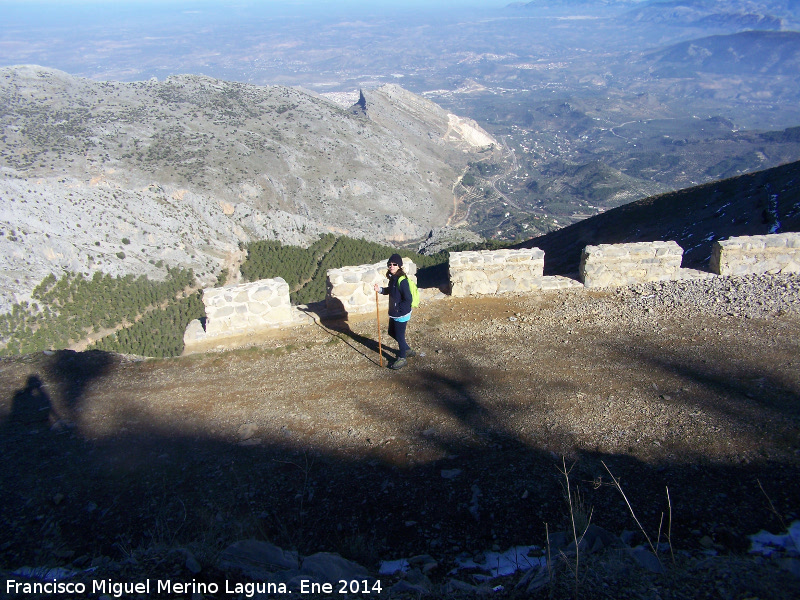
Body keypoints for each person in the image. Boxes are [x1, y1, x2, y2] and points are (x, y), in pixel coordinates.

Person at [374, 253, 416, 370]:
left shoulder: (402, 280)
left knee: (399, 335)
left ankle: (402, 358)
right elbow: (390, 291)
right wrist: (380, 290)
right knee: (391, 332)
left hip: (401, 314)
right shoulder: (393, 278)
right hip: (394, 312)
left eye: (394, 264)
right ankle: (406, 349)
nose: (391, 266)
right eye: (389, 264)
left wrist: (399, 309)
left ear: (399, 266)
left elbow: (408, 299)